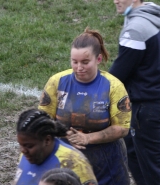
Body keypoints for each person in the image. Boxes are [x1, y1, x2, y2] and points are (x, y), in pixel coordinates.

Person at [38, 27, 131, 185]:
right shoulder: (57, 82)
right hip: (67, 161)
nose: (79, 67)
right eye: (74, 62)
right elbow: (42, 120)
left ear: (98, 59)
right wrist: (65, 133)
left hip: (107, 163)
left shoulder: (113, 86)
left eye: (85, 62)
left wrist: (87, 138)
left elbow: (122, 128)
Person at [109, 1, 160, 185]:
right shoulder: (157, 15)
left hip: (147, 106)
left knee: (154, 169)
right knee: (132, 151)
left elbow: (119, 74)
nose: (115, 1)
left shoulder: (135, 30)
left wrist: (95, 87)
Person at [13, 109, 97, 185]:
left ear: (47, 140)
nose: (23, 150)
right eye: (21, 144)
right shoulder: (28, 155)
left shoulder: (74, 162)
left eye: (29, 146)